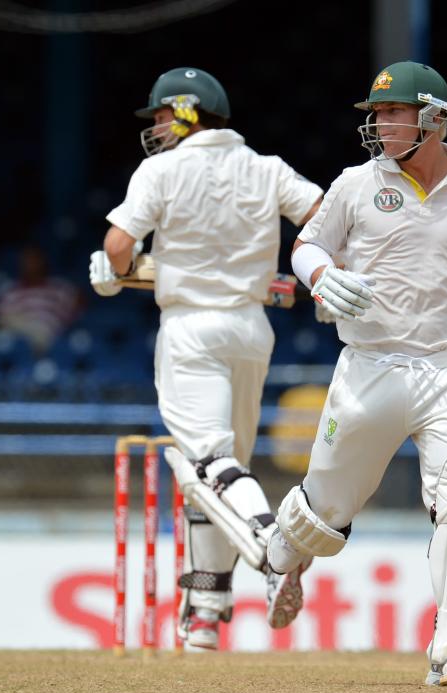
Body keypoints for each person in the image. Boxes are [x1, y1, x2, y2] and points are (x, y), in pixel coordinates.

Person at [265, 61, 447, 686]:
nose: (380, 123)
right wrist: (322, 275)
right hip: (369, 366)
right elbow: (308, 244)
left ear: (435, 119)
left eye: (394, 113)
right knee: (324, 511)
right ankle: (281, 558)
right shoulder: (354, 185)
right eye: (377, 113)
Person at [88, 67, 323, 651]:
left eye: (164, 115)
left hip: (191, 328)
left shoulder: (162, 169)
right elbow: (323, 214)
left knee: (208, 463)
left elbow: (120, 246)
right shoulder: (265, 168)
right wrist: (323, 275)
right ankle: (205, 614)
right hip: (250, 326)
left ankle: (274, 552)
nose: (157, 127)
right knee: (222, 473)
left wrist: (113, 271)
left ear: (189, 113)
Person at [0, 246, 82, 355]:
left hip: (49, 333)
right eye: (26, 261)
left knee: (42, 330)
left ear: (42, 262)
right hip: (19, 335)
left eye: (34, 260)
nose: (30, 264)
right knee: (4, 326)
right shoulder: (11, 290)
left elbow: (79, 305)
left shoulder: (58, 286)